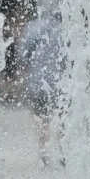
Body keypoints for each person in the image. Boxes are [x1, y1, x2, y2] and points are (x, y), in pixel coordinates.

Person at [16, 11, 65, 167]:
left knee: (42, 120)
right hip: (61, 82)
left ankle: (44, 156)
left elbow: (22, 55)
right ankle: (64, 153)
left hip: (38, 82)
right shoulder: (64, 28)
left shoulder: (32, 28)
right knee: (63, 117)